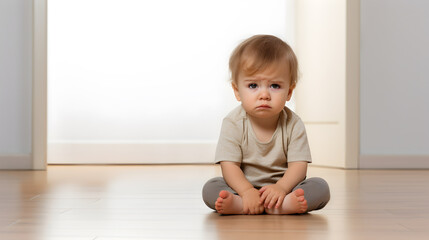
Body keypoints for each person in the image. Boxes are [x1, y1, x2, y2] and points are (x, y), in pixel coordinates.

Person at [202, 35, 330, 215]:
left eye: (275, 86)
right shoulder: (233, 123)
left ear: (289, 92)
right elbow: (229, 166)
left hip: (285, 188)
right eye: (253, 85)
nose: (264, 95)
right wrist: (246, 191)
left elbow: (298, 167)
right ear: (237, 91)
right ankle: (242, 203)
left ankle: (280, 204)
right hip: (242, 188)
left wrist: (281, 188)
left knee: (320, 187)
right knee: (211, 188)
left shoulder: (293, 124)